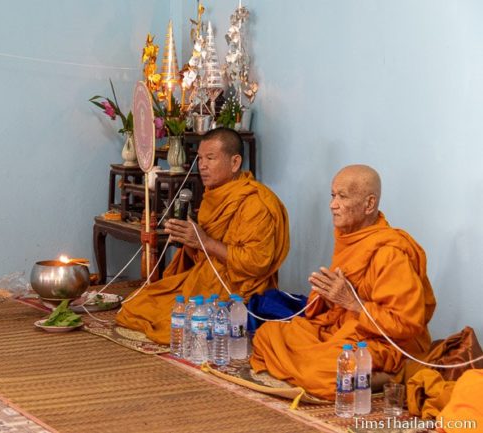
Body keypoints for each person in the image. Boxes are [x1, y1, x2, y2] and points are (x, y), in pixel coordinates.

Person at [250, 164, 437, 400]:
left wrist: (352, 302)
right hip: (343, 330)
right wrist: (326, 294)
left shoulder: (391, 252)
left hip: (381, 342)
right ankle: (363, 376)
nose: (332, 205)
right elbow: (329, 311)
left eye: (342, 197)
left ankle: (391, 375)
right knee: (268, 335)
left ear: (369, 204)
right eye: (332, 195)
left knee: (322, 372)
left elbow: (406, 325)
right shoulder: (351, 237)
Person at [116, 127, 290, 345]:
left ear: (235, 163)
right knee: (137, 306)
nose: (203, 165)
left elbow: (257, 264)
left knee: (169, 325)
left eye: (210, 158)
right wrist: (186, 239)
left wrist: (204, 241)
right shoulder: (213, 196)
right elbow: (203, 257)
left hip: (239, 291)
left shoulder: (256, 203)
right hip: (206, 279)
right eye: (200, 158)